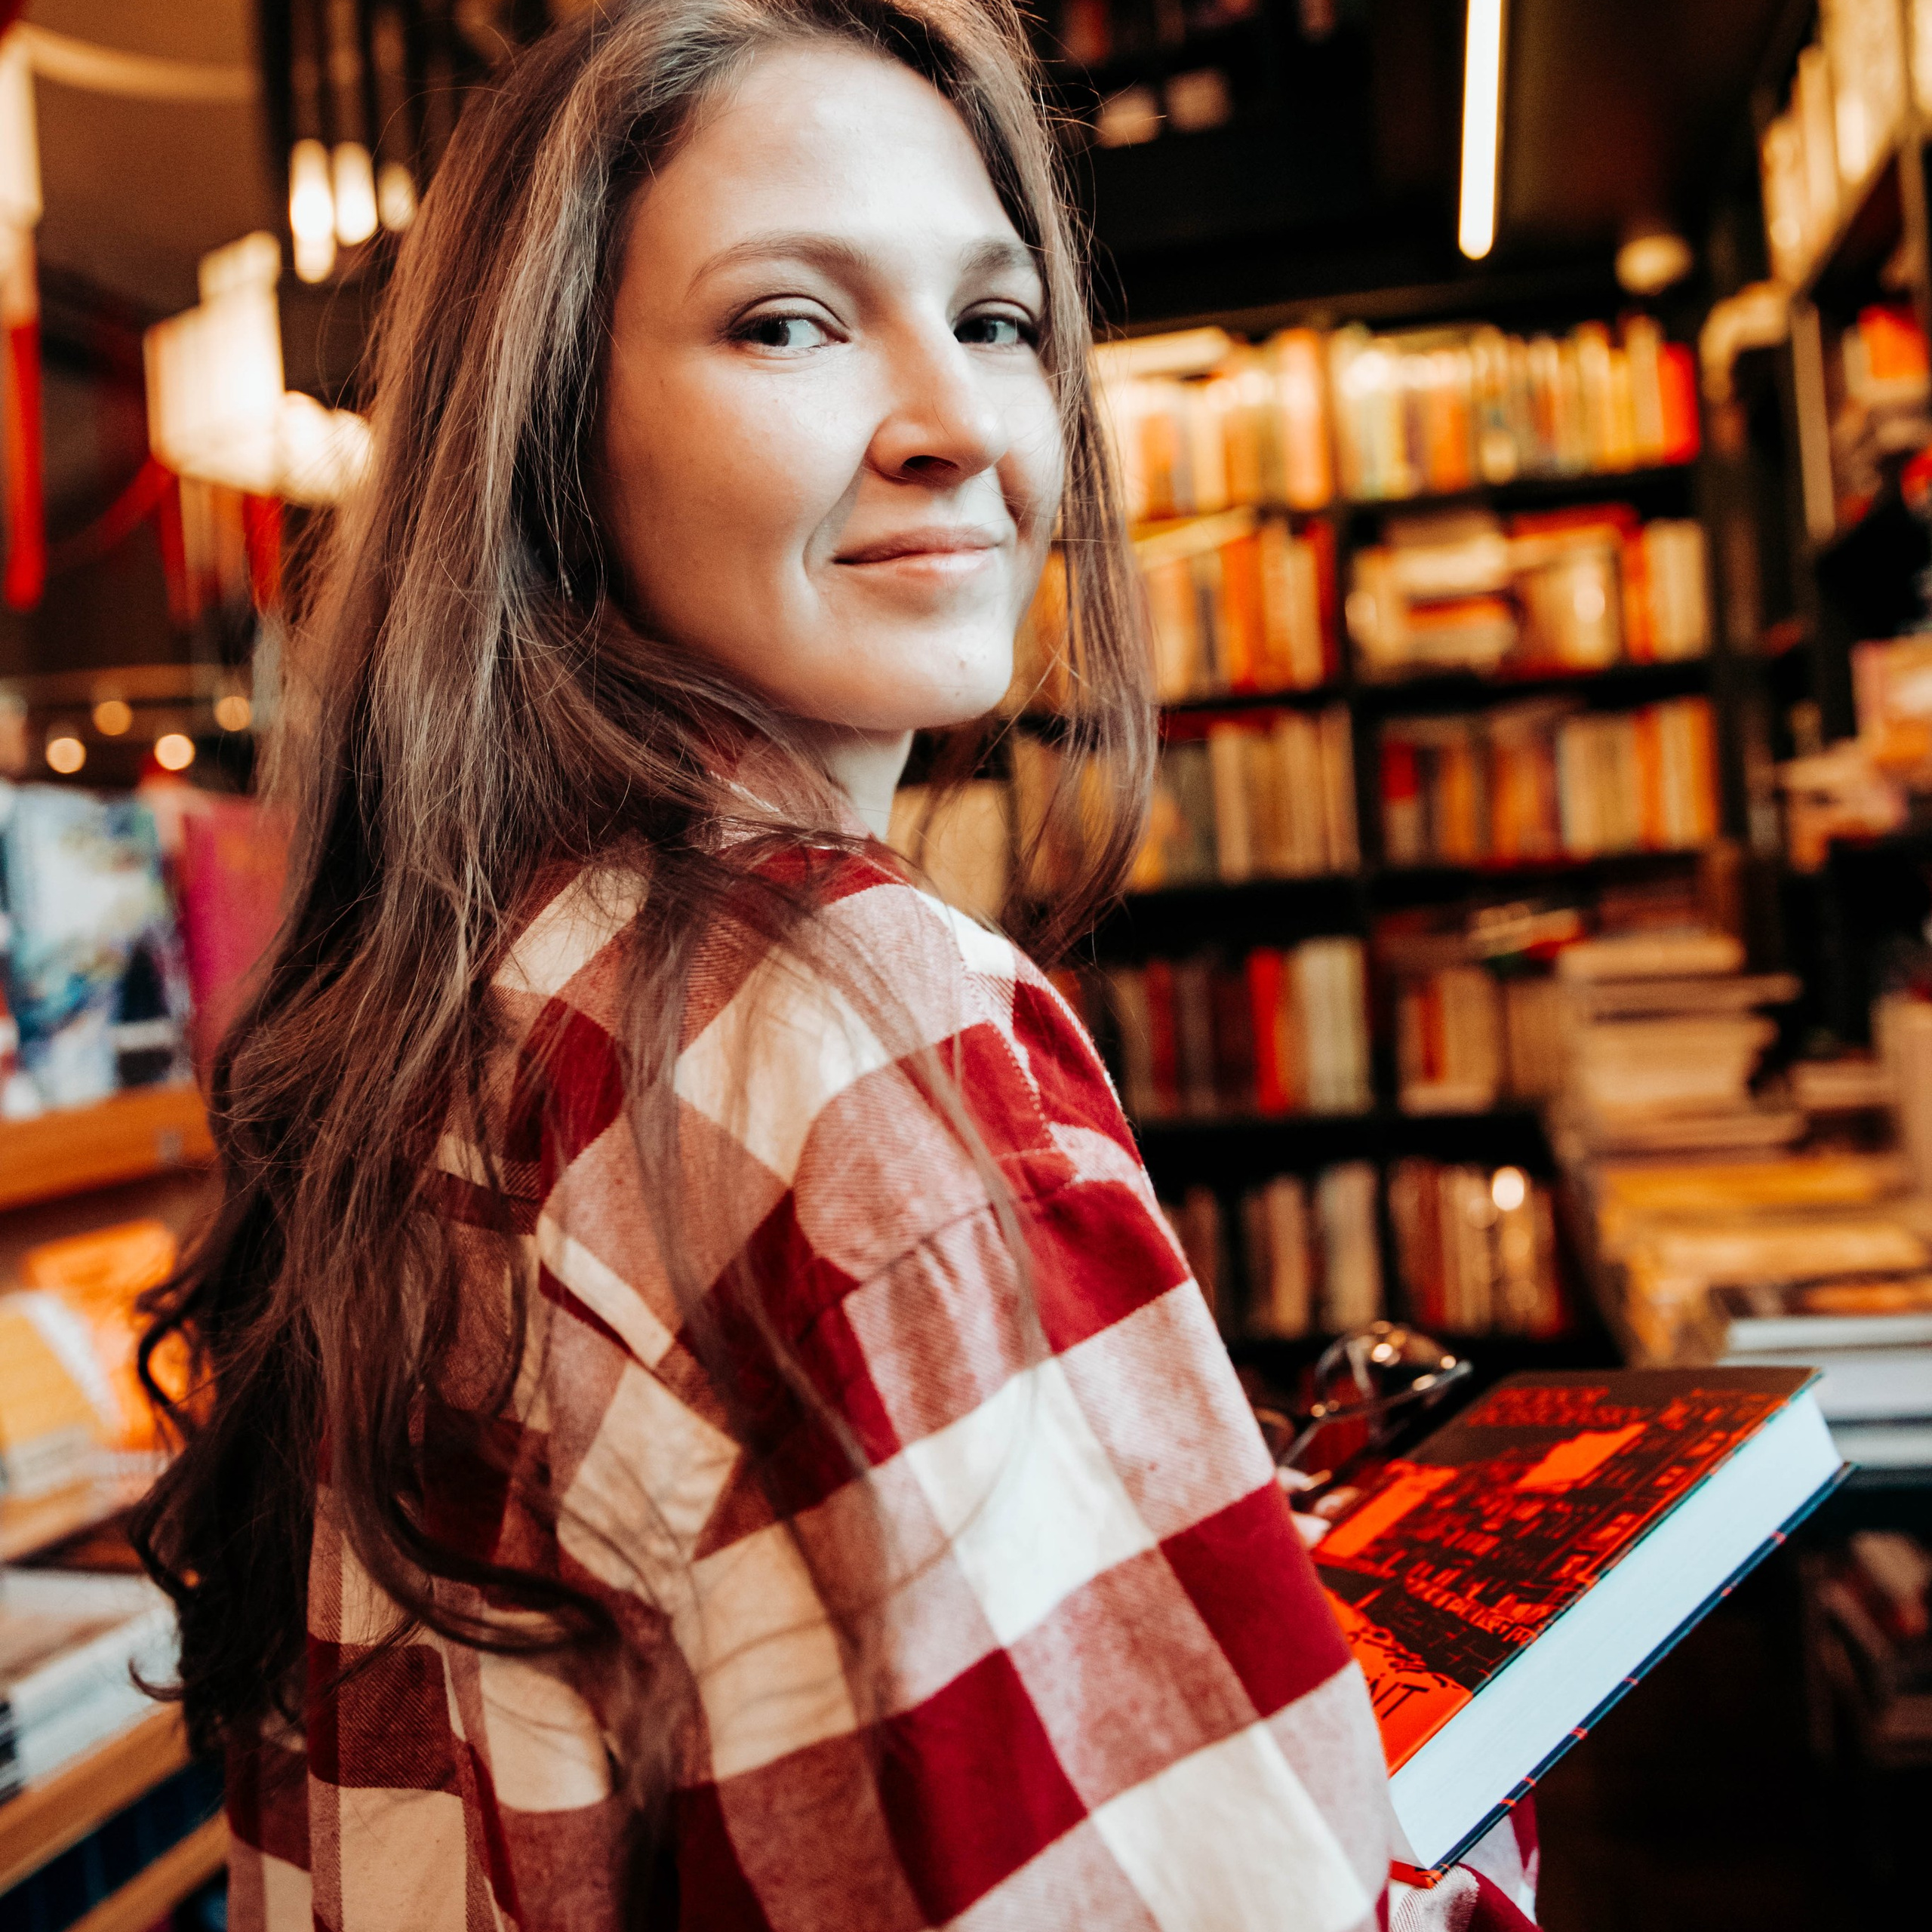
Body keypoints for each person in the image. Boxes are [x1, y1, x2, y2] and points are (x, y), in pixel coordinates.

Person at [134, 3, 1536, 1927]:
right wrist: (1458, 1814)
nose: (955, 424)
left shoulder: (475, 985)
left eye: (995, 319)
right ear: (552, 432)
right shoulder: (842, 1031)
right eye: (784, 321)